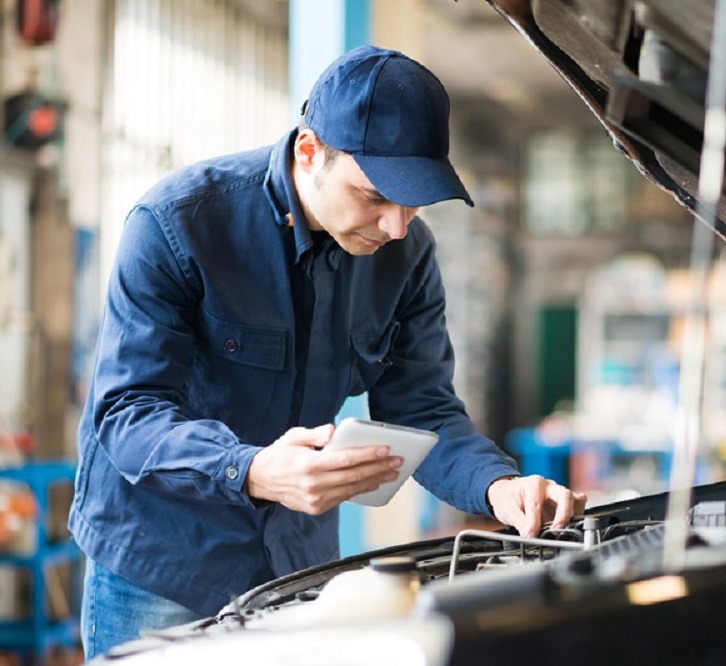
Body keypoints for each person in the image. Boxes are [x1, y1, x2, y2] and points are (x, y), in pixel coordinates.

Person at [70, 45, 587, 659]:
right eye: (375, 196)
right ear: (310, 152)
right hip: (163, 563)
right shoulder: (176, 226)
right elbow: (126, 414)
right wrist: (252, 469)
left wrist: (498, 487)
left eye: (414, 200)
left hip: (297, 568)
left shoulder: (407, 256)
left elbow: (420, 408)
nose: (397, 226)